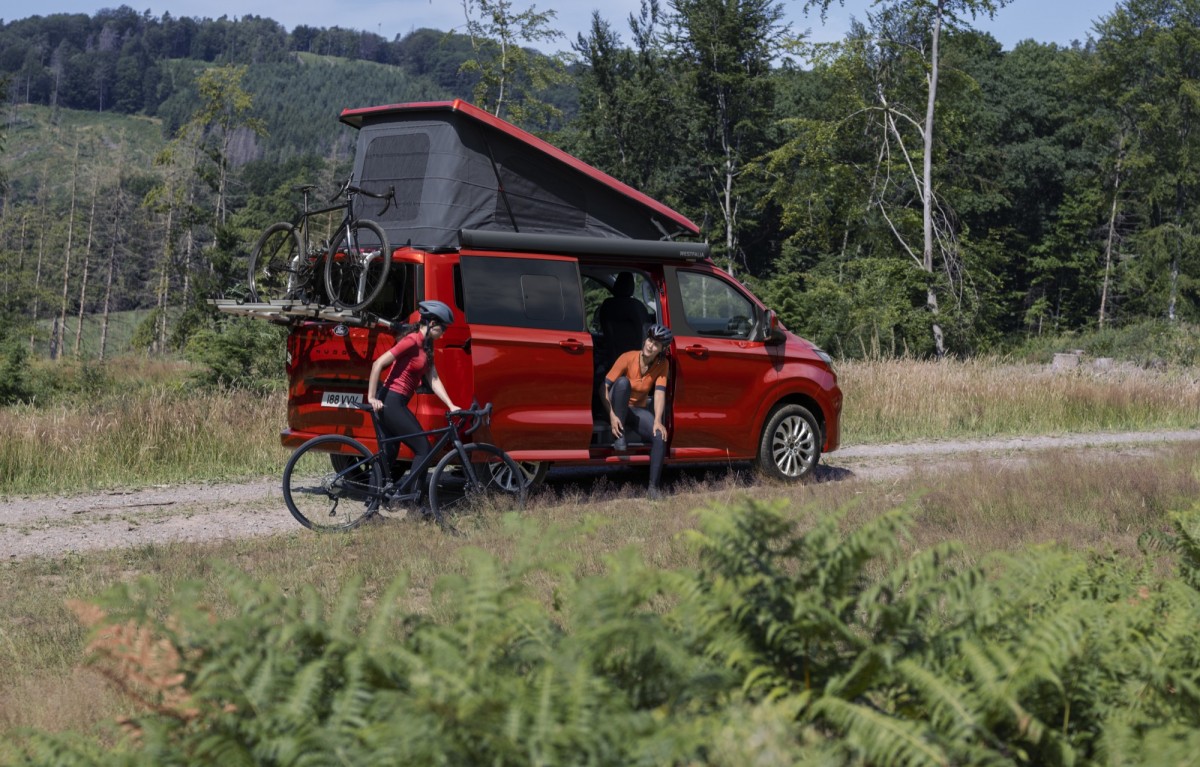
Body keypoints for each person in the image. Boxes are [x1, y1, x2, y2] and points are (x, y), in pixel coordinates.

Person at [366, 300, 460, 505]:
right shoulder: (411, 341)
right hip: (390, 401)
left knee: (388, 454)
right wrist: (371, 397)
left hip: (395, 401)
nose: (444, 333)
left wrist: (451, 405)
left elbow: (433, 379)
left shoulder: (426, 345)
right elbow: (378, 363)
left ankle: (371, 508)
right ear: (432, 323)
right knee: (424, 449)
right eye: (443, 328)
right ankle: (413, 503)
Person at [603, 324, 673, 498]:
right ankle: (619, 435)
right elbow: (603, 388)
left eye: (656, 344)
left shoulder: (662, 364)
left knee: (659, 435)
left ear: (662, 349)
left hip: (636, 410)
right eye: (650, 340)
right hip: (616, 407)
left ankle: (653, 489)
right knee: (623, 383)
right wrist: (611, 415)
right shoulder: (628, 357)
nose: (650, 345)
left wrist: (658, 420)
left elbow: (659, 393)